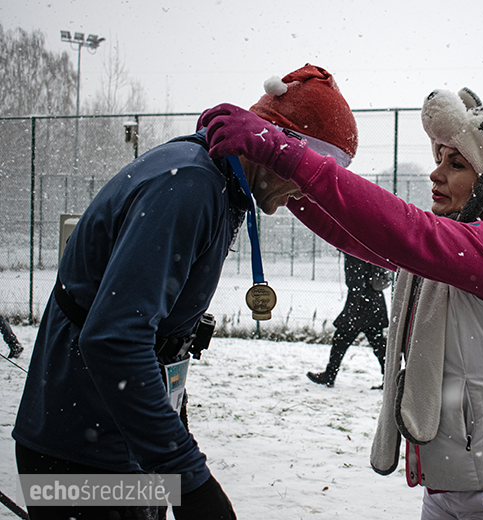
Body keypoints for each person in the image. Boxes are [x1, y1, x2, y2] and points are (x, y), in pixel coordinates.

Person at [200, 85, 483, 518]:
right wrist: (282, 181)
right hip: (453, 485)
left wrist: (284, 154)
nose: (436, 174)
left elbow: (408, 232)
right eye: (439, 159)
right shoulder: (464, 242)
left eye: (455, 164)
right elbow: (359, 235)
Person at [13, 64, 358, 520]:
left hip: (116, 442)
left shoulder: (217, 180)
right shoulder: (189, 185)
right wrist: (189, 480)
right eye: (310, 171)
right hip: (83, 457)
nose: (309, 190)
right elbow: (115, 339)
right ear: (278, 145)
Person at [307, 252, 389, 388]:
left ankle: (329, 375)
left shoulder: (354, 252)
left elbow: (356, 284)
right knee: (378, 344)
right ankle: (390, 379)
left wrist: (351, 311)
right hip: (374, 303)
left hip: (360, 305)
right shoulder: (366, 249)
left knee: (341, 340)